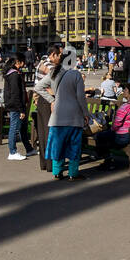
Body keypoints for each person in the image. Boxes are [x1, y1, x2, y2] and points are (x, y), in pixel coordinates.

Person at [46, 46, 91, 180]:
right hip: (73, 116)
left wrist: (51, 100)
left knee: (58, 145)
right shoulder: (75, 74)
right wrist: (85, 113)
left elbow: (38, 87)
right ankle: (73, 173)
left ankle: (57, 172)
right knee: (74, 145)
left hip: (57, 117)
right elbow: (80, 97)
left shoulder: (54, 72)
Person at [94, 82, 130, 170]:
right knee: (105, 135)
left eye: (125, 90)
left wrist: (111, 129)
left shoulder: (125, 107)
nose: (123, 91)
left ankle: (107, 161)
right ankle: (106, 158)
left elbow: (117, 124)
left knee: (100, 136)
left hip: (123, 137)